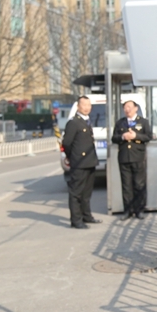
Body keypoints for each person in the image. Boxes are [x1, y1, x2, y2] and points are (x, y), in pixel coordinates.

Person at [61, 96, 102, 229]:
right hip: (79, 162)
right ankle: (76, 220)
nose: (87, 108)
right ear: (78, 106)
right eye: (84, 105)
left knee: (87, 192)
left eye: (89, 105)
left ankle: (87, 216)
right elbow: (67, 143)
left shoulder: (87, 121)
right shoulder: (74, 122)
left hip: (90, 161)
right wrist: (71, 157)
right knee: (76, 192)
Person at [111, 100, 152, 220]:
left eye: (129, 107)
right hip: (124, 158)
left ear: (136, 108)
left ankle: (139, 209)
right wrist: (123, 137)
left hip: (138, 157)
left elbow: (148, 137)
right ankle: (128, 210)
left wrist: (136, 136)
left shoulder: (143, 122)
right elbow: (114, 138)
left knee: (139, 184)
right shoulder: (120, 123)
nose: (127, 109)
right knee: (126, 185)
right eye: (125, 107)